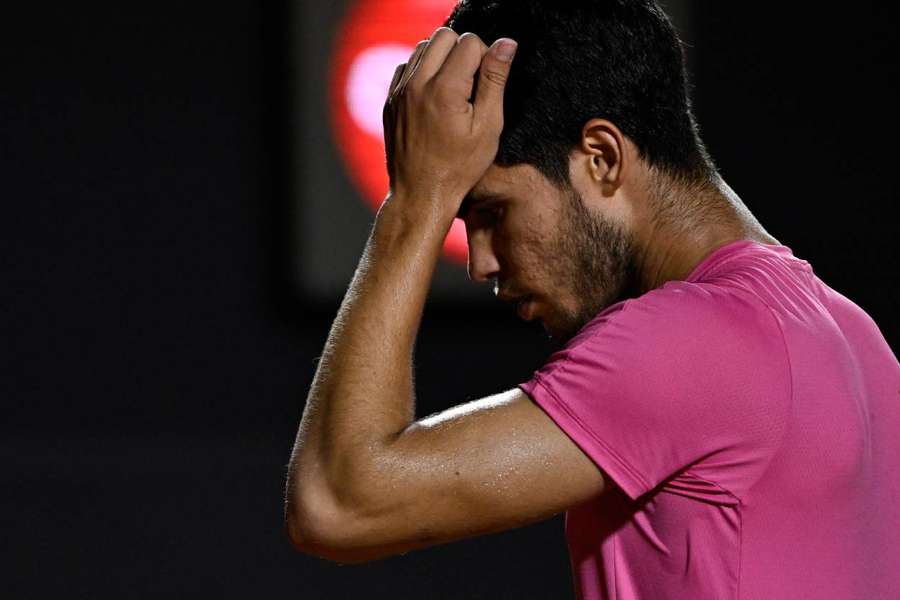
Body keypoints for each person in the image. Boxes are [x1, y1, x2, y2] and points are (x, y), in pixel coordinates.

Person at [284, 1, 900, 598]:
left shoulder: (692, 338)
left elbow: (338, 503)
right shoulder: (857, 338)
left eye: (492, 210)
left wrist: (417, 202)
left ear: (602, 157)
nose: (481, 262)